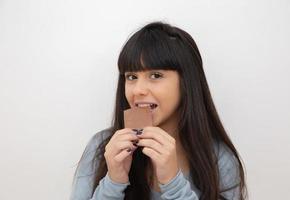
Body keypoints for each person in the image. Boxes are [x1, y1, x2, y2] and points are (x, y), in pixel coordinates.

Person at [70, 21, 247, 200]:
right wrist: (113, 182)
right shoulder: (101, 148)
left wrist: (173, 183)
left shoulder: (219, 160)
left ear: (187, 82)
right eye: (131, 77)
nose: (138, 90)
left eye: (155, 75)